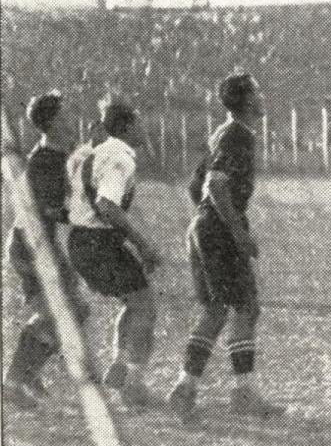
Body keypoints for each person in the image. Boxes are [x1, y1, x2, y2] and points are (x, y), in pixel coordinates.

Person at [168, 73, 285, 423]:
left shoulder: (222, 132)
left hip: (204, 226)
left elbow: (195, 185)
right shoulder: (237, 135)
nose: (262, 97)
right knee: (246, 308)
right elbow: (215, 183)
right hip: (218, 229)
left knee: (218, 310)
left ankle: (185, 388)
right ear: (248, 100)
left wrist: (208, 219)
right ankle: (243, 393)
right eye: (258, 91)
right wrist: (235, 230)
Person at [66, 97, 161, 410]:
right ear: (127, 126)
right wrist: (142, 243)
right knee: (145, 304)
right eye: (138, 122)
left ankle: (119, 368)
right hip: (99, 241)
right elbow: (107, 205)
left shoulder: (91, 152)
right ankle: (134, 383)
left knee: (132, 301)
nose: (143, 128)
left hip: (80, 240)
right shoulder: (120, 157)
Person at [3, 91, 89, 409]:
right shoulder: (44, 160)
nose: (71, 121)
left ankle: (26, 372)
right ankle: (14, 380)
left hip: (40, 246)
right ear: (51, 122)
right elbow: (50, 209)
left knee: (72, 310)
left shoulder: (55, 155)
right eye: (65, 116)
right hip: (32, 248)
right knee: (68, 311)